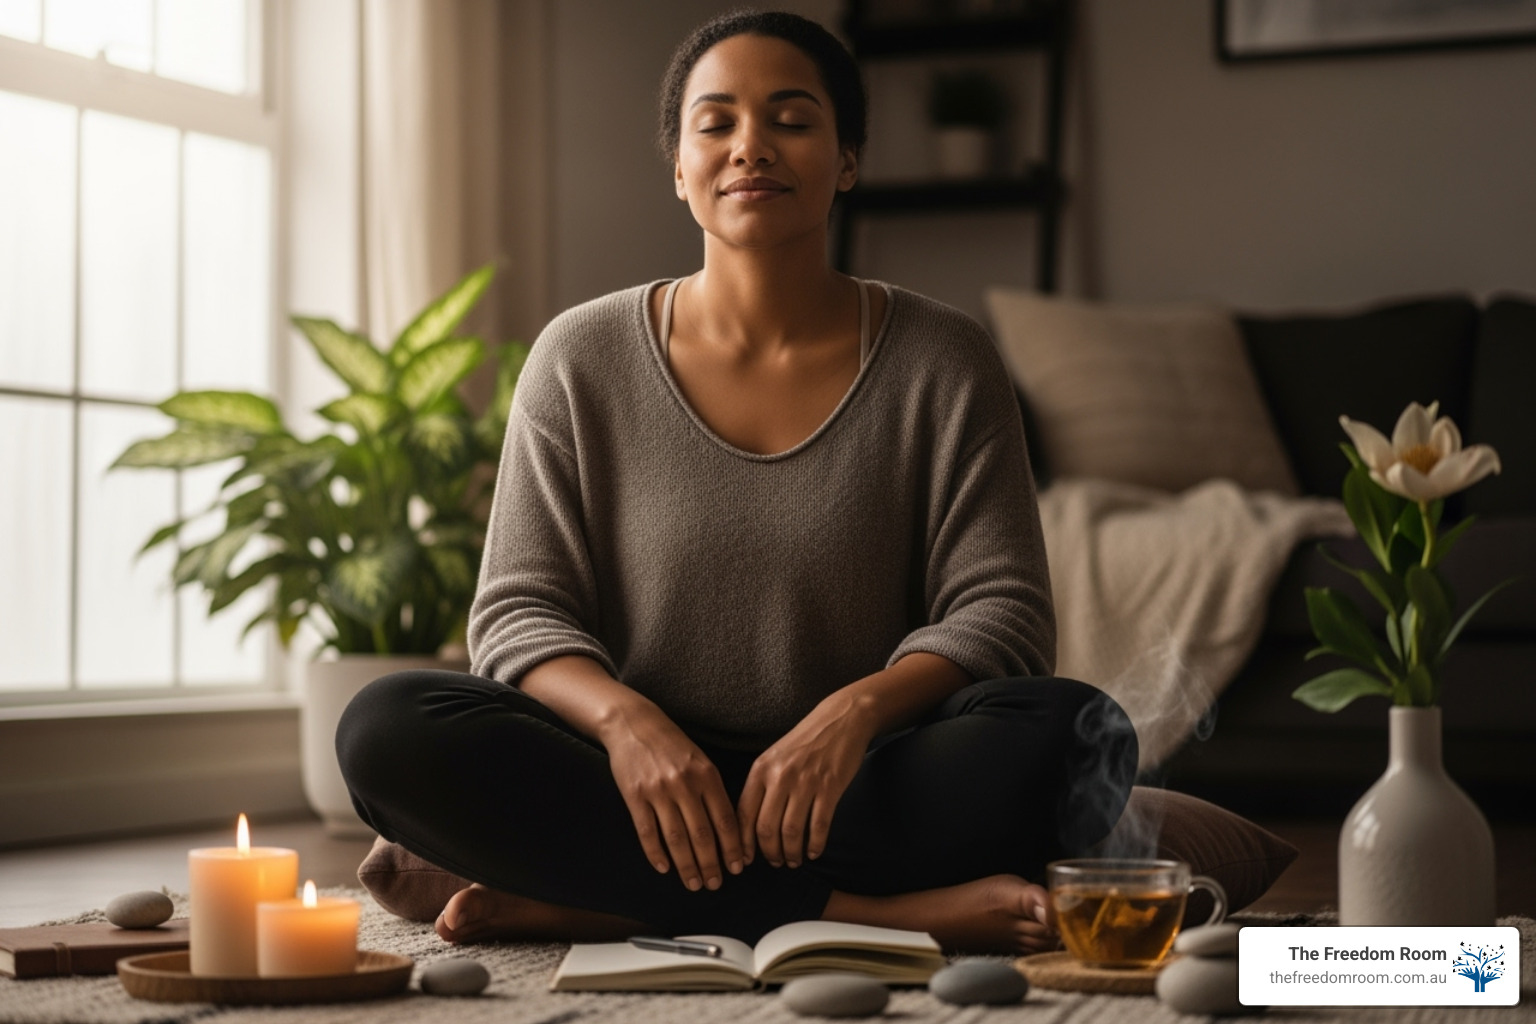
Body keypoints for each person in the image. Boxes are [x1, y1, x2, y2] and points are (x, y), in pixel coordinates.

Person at [337, 10, 1136, 954]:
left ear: (847, 159)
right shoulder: (578, 357)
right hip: (631, 781)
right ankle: (861, 916)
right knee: (386, 729)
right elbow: (518, 615)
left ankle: (606, 902)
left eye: (791, 119)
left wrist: (852, 713)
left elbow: (1002, 613)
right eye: (715, 123)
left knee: (1077, 730)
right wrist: (630, 726)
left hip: (856, 778)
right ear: (679, 168)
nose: (750, 145)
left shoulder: (945, 358)